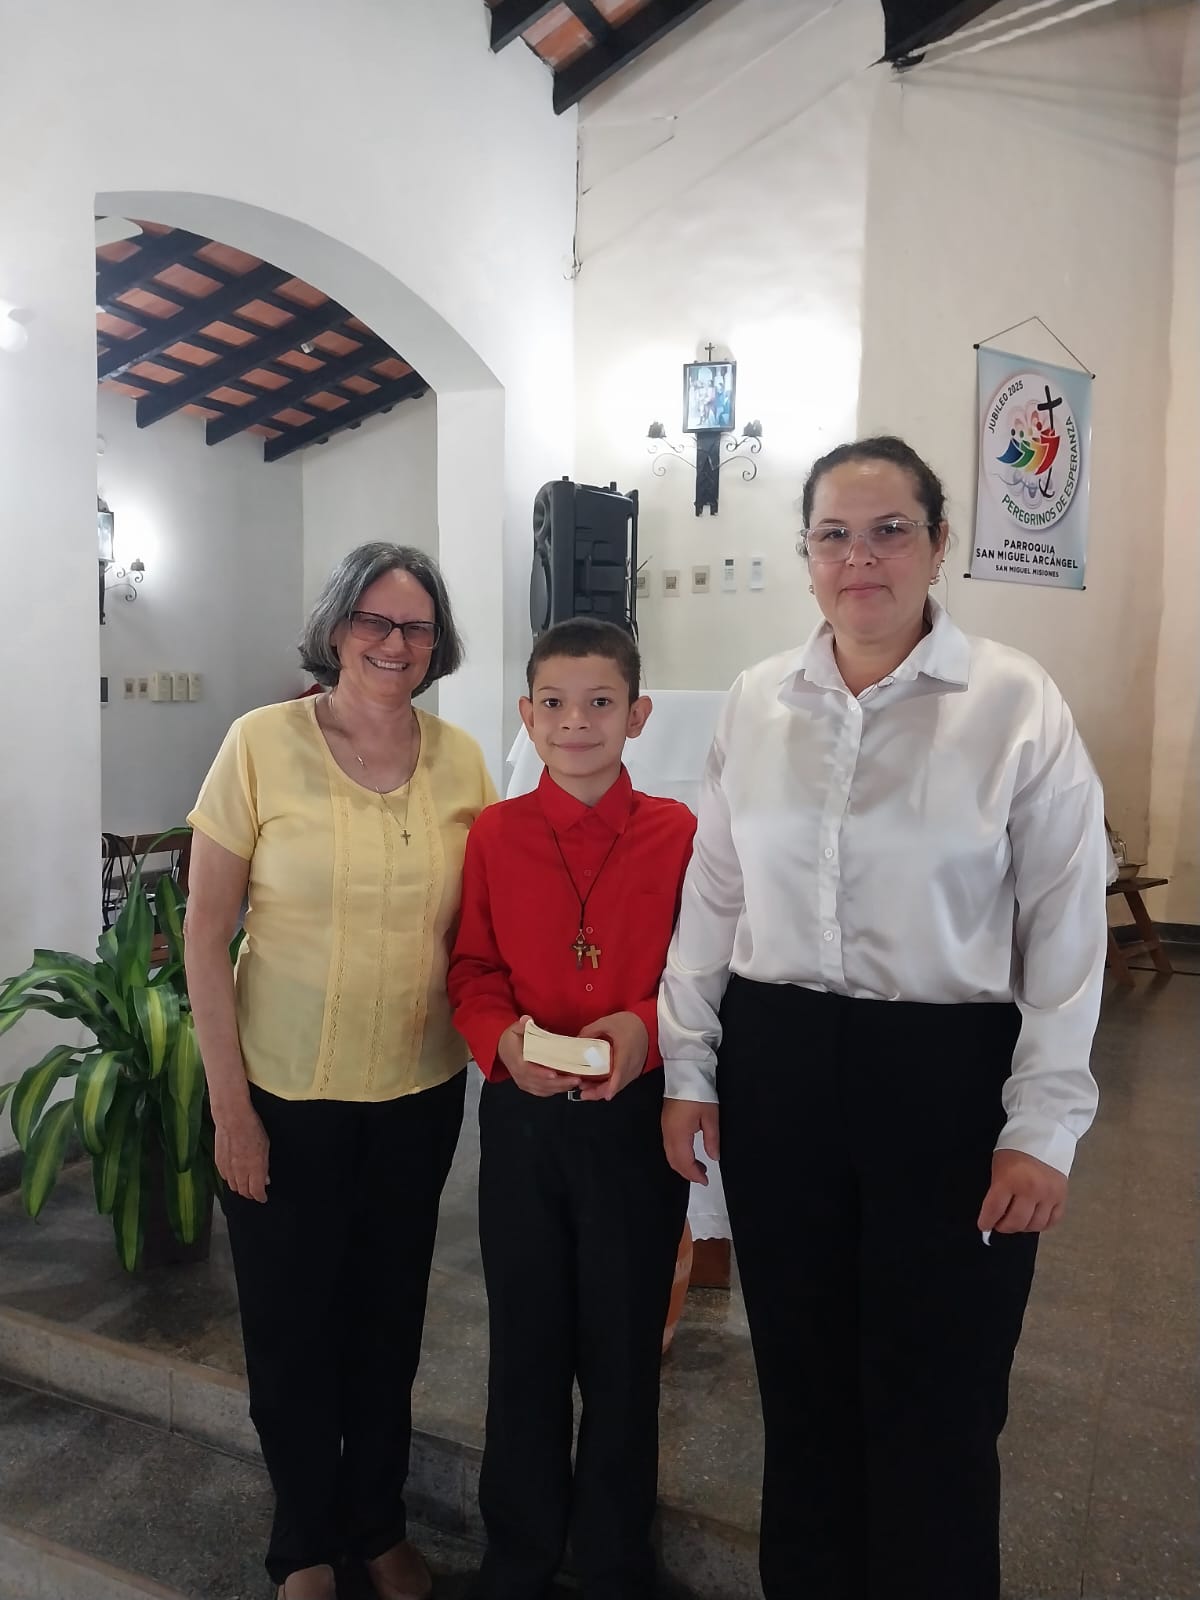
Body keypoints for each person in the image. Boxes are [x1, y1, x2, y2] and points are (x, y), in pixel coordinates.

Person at [659, 436, 1109, 1600]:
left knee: (941, 1393)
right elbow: (714, 898)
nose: (860, 558)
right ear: (807, 555)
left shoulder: (1013, 702)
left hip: (948, 1080)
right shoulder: (760, 700)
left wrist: (1042, 1125)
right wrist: (689, 1066)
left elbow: (1067, 926)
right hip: (781, 1068)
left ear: (938, 544)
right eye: (834, 535)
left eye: (889, 530)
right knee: (802, 1381)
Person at [184, 543, 496, 1600]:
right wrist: (231, 1108)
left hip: (416, 1093)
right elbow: (205, 936)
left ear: (437, 644)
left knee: (388, 1321)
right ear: (335, 626)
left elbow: (484, 925)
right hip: (283, 1095)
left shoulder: (462, 762)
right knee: (290, 1328)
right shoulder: (260, 744)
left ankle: (377, 1523)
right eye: (374, 619)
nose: (394, 642)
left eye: (416, 626)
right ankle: (305, 1544)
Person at [449, 618, 695, 1600]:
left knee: (625, 1349)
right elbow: (472, 968)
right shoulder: (496, 834)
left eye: (600, 702)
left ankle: (616, 1561)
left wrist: (645, 1028)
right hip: (524, 1119)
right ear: (526, 714)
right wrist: (502, 1040)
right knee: (526, 1341)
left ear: (638, 714)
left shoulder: (678, 832)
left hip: (634, 1122)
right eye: (553, 702)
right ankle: (517, 1557)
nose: (575, 722)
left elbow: (702, 973)